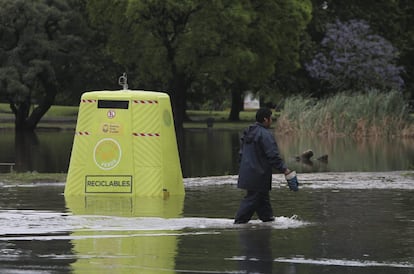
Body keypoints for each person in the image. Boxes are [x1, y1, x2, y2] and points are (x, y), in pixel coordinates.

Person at [234, 107, 299, 224]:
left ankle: (268, 222)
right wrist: (285, 170)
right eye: (270, 118)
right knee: (252, 199)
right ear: (265, 119)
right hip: (259, 175)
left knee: (263, 201)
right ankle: (238, 225)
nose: (271, 121)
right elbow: (272, 156)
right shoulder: (265, 135)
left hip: (247, 174)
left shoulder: (249, 131)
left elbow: (241, 154)